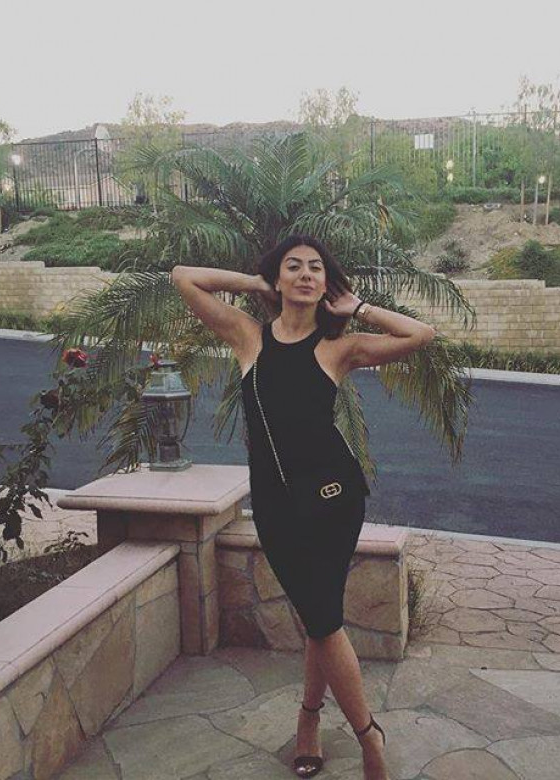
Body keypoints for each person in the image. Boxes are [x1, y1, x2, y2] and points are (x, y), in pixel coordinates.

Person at [171, 234, 435, 780]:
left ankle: (352, 733)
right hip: (277, 506)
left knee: (321, 618)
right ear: (280, 278)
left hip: (335, 499)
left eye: (316, 268)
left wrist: (358, 307)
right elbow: (183, 277)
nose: (306, 275)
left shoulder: (340, 348)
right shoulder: (248, 336)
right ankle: (335, 724)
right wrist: (255, 282)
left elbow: (421, 335)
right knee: (321, 617)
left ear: (326, 284)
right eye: (294, 266)